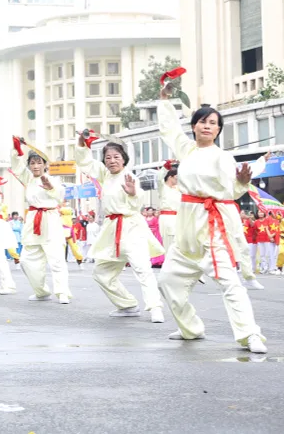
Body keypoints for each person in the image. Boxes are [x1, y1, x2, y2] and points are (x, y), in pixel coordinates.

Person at [156, 89, 266, 354]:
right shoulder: (187, 149)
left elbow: (232, 191)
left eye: (213, 123)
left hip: (211, 227)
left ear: (218, 131)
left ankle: (250, 334)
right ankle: (190, 328)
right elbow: (170, 128)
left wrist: (241, 181)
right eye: (203, 121)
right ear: (194, 126)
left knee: (229, 282)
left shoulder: (222, 157)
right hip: (185, 228)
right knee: (167, 281)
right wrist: (164, 100)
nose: (207, 126)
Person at [75, 135, 164, 322]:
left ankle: (155, 307)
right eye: (108, 157)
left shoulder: (130, 177)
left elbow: (138, 199)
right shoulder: (105, 175)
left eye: (116, 157)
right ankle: (127, 304)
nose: (112, 160)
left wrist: (132, 194)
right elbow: (86, 162)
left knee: (142, 269)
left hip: (131, 227)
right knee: (100, 272)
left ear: (124, 159)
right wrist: (82, 145)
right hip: (111, 230)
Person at [12, 137, 70, 304]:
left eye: (39, 162)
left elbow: (60, 197)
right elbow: (16, 165)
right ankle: (41, 291)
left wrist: (50, 188)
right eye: (32, 163)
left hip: (50, 220)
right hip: (33, 221)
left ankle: (62, 292)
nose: (36, 166)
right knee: (26, 260)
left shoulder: (54, 180)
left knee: (56, 258)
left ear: (45, 164)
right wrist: (17, 146)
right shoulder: (28, 179)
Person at [158, 162, 181, 255]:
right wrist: (165, 167)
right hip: (167, 218)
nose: (178, 179)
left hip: (178, 217)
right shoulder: (163, 188)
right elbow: (159, 179)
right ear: (170, 176)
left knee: (179, 244)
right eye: (176, 176)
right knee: (169, 244)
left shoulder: (178, 189)